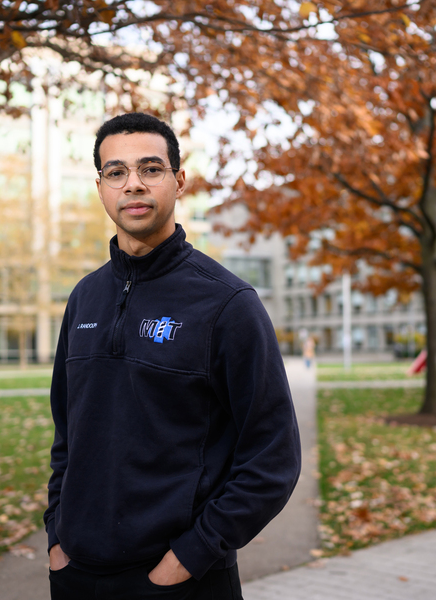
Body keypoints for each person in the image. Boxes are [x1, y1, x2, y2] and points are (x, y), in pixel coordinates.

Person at [44, 112, 301, 600]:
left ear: (178, 181)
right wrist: (58, 535)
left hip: (180, 579)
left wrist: (192, 555)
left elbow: (273, 456)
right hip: (77, 574)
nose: (133, 185)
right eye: (116, 172)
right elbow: (68, 433)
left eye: (150, 169)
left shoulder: (227, 303)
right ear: (100, 187)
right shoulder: (84, 298)